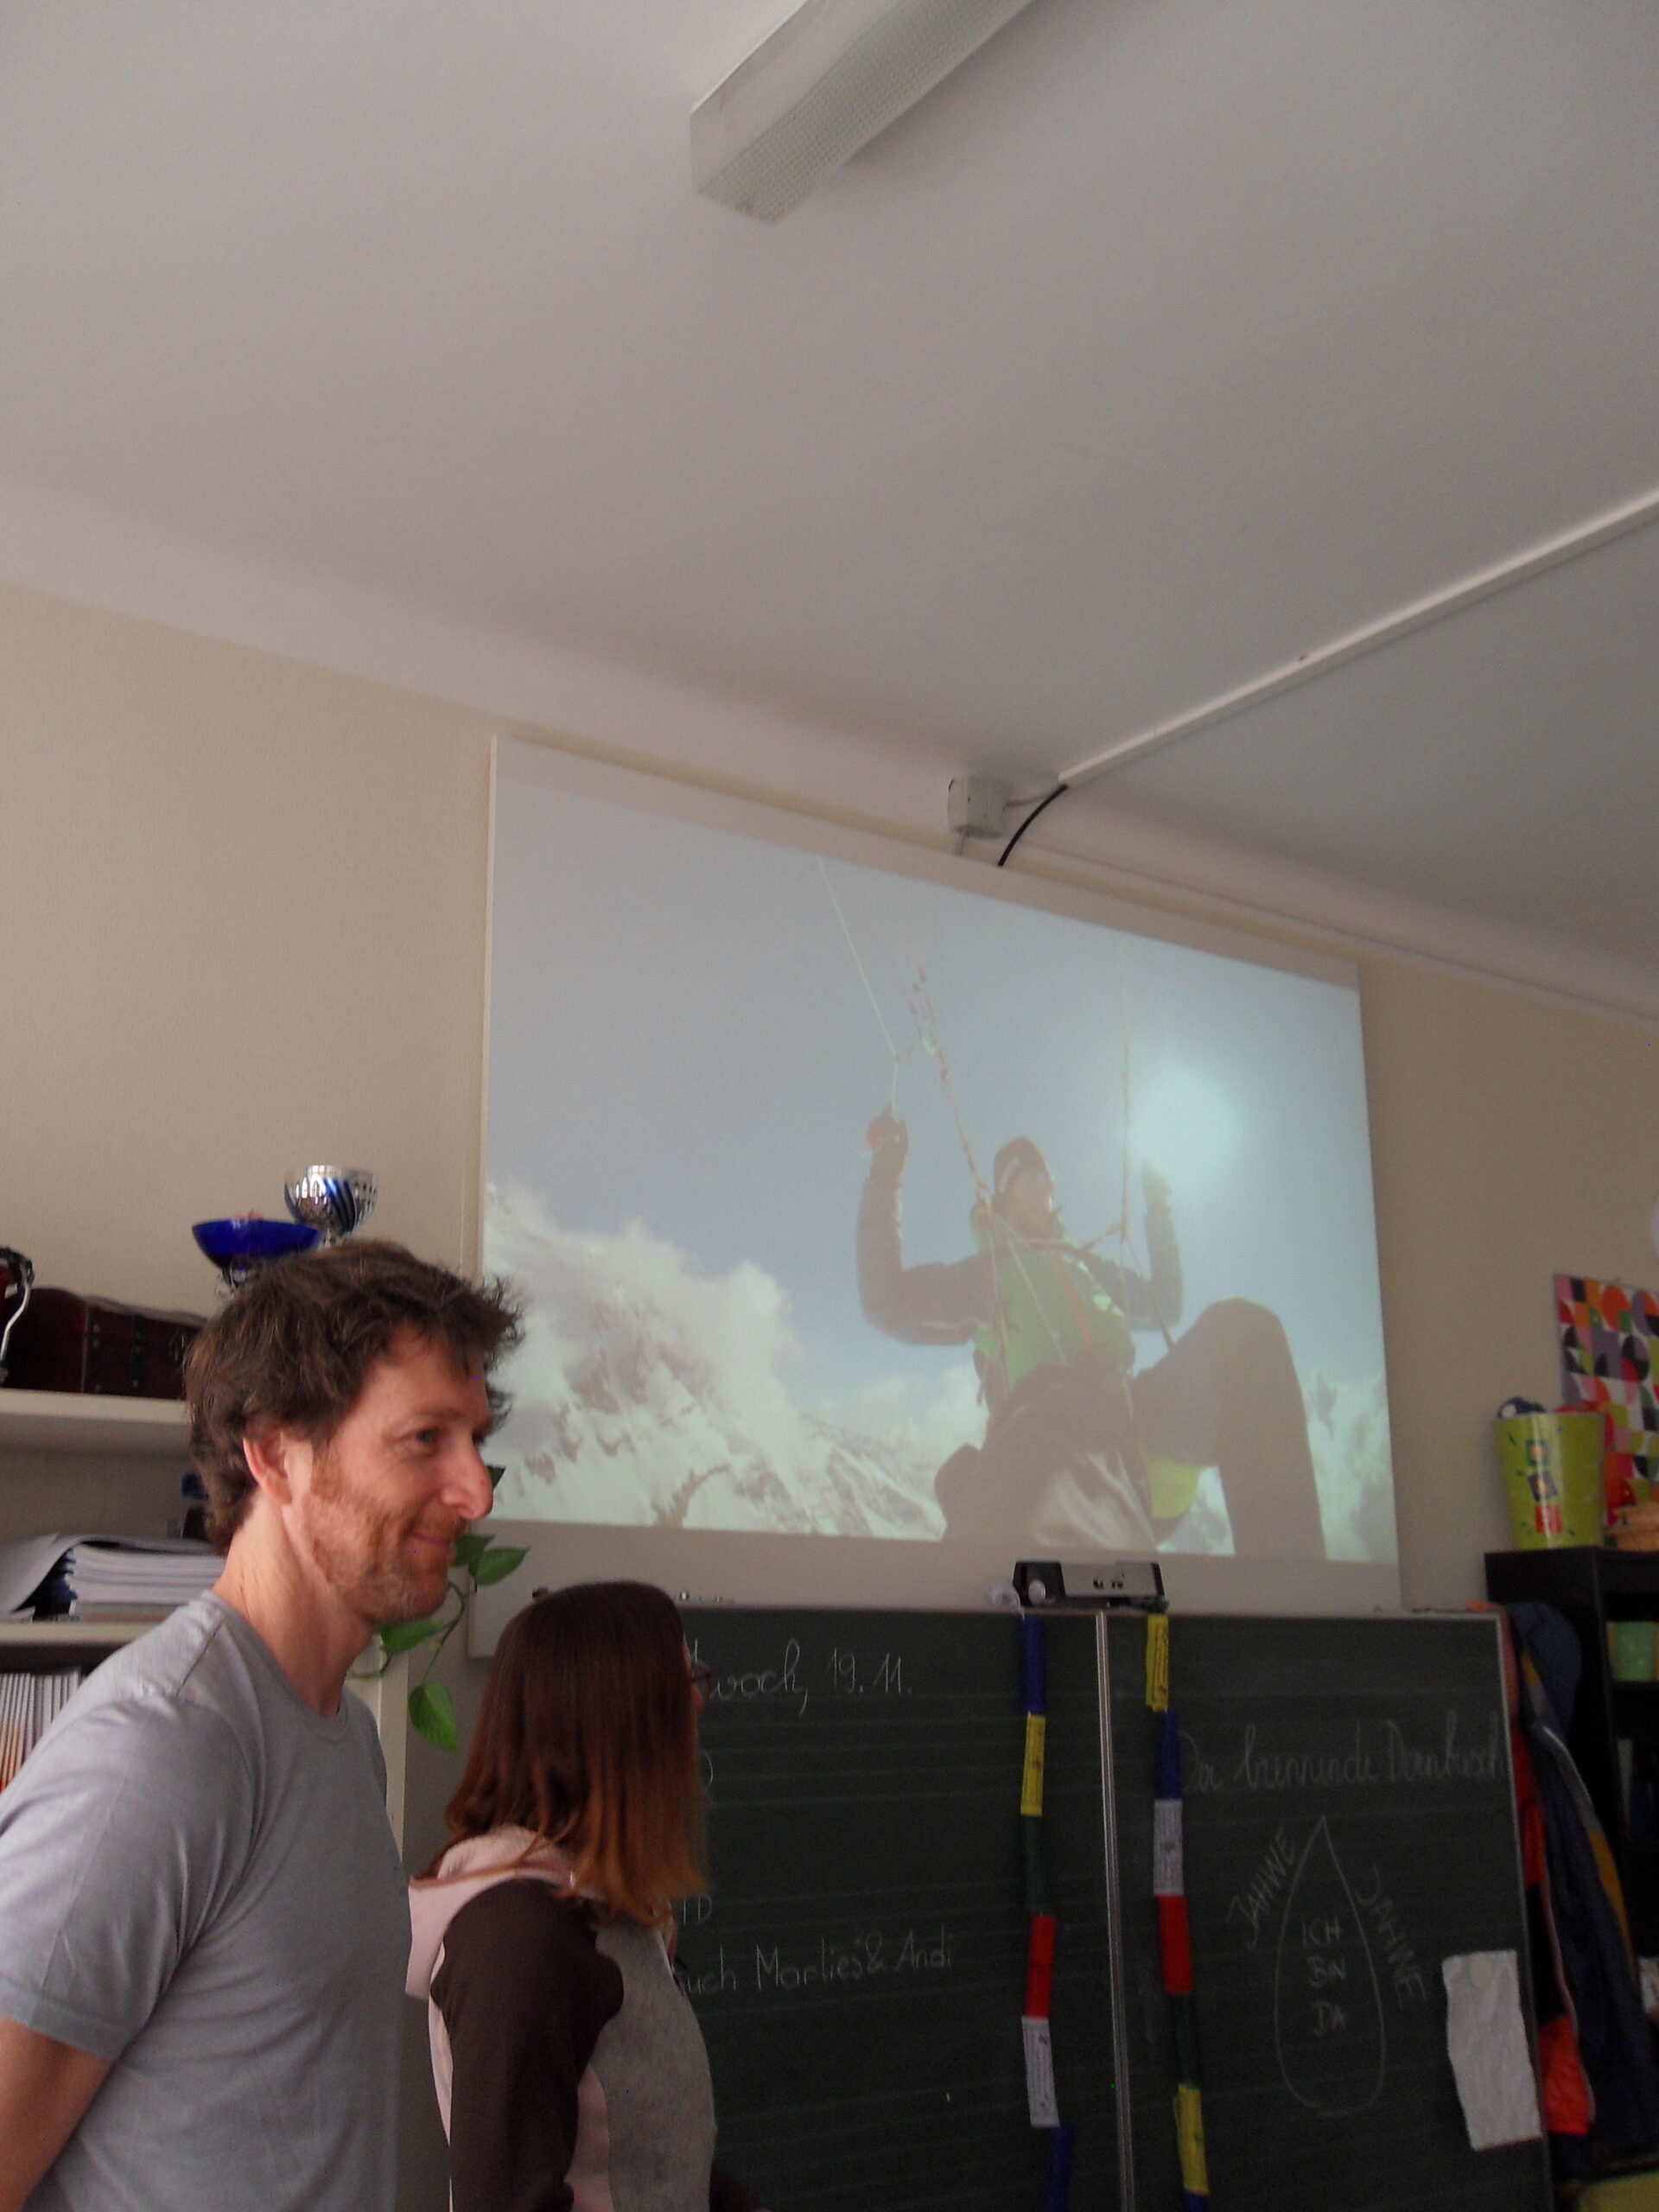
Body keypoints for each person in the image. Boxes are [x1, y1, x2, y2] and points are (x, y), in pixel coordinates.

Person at [0, 1240, 523, 2212]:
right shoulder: (162, 1746)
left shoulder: (345, 1734)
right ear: (277, 1453)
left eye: (476, 1439)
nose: (477, 1490)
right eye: (425, 1439)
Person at [408, 1581, 760, 2212]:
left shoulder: (603, 1907)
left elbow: (656, 2157)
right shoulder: (518, 1942)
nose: (697, 1709)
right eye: (685, 1686)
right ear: (623, 1725)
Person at [857, 1109, 1324, 1558]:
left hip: (1135, 1424)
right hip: (1052, 1433)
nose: (1047, 1189)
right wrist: (886, 1176)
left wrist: (1158, 1208)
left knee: (1244, 1332)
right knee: (1047, 1521)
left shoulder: (1085, 1266)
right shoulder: (989, 1276)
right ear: (1004, 1198)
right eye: (1030, 1179)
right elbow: (887, 1304)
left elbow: (1166, 1304)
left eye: (1048, 1178)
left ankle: (1290, 1588)